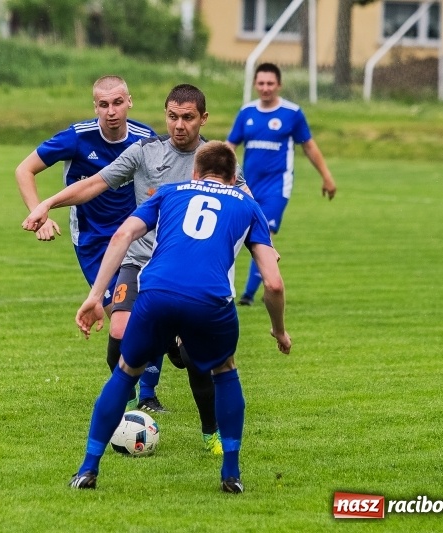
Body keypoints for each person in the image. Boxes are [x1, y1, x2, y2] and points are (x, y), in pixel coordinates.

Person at [23, 84, 247, 453]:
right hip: (141, 261)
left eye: (188, 118)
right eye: (172, 116)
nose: (179, 125)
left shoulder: (213, 162)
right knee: (120, 327)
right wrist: (47, 203)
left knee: (197, 360)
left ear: (203, 119)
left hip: (187, 271)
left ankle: (211, 433)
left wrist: (265, 245)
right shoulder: (145, 151)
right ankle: (129, 415)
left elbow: (246, 201)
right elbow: (94, 183)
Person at [66, 141, 291, 491]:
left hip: (156, 293)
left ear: (196, 172)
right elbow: (273, 284)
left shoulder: (170, 192)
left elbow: (124, 234)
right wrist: (279, 330)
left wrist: (96, 296)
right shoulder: (247, 204)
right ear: (234, 178)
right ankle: (230, 474)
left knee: (126, 372)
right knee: (225, 370)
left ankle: (87, 469)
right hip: (210, 301)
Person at [15, 76, 168, 411]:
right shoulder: (78, 137)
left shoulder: (146, 140)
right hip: (93, 241)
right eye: (103, 104)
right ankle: (129, 385)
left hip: (136, 237)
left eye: (117, 103)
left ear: (130, 101)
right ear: (94, 106)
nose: (111, 111)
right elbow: (24, 169)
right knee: (123, 317)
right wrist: (40, 212)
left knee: (148, 312)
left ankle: (148, 394)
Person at [226, 62, 335, 305]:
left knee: (264, 234)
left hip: (277, 187)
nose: (265, 88)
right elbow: (229, 147)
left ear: (279, 85)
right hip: (247, 187)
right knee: (236, 235)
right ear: (255, 84)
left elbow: (308, 146)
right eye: (261, 83)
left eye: (270, 83)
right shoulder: (246, 113)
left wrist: (326, 176)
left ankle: (248, 295)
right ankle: (247, 287)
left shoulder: (292, 113)